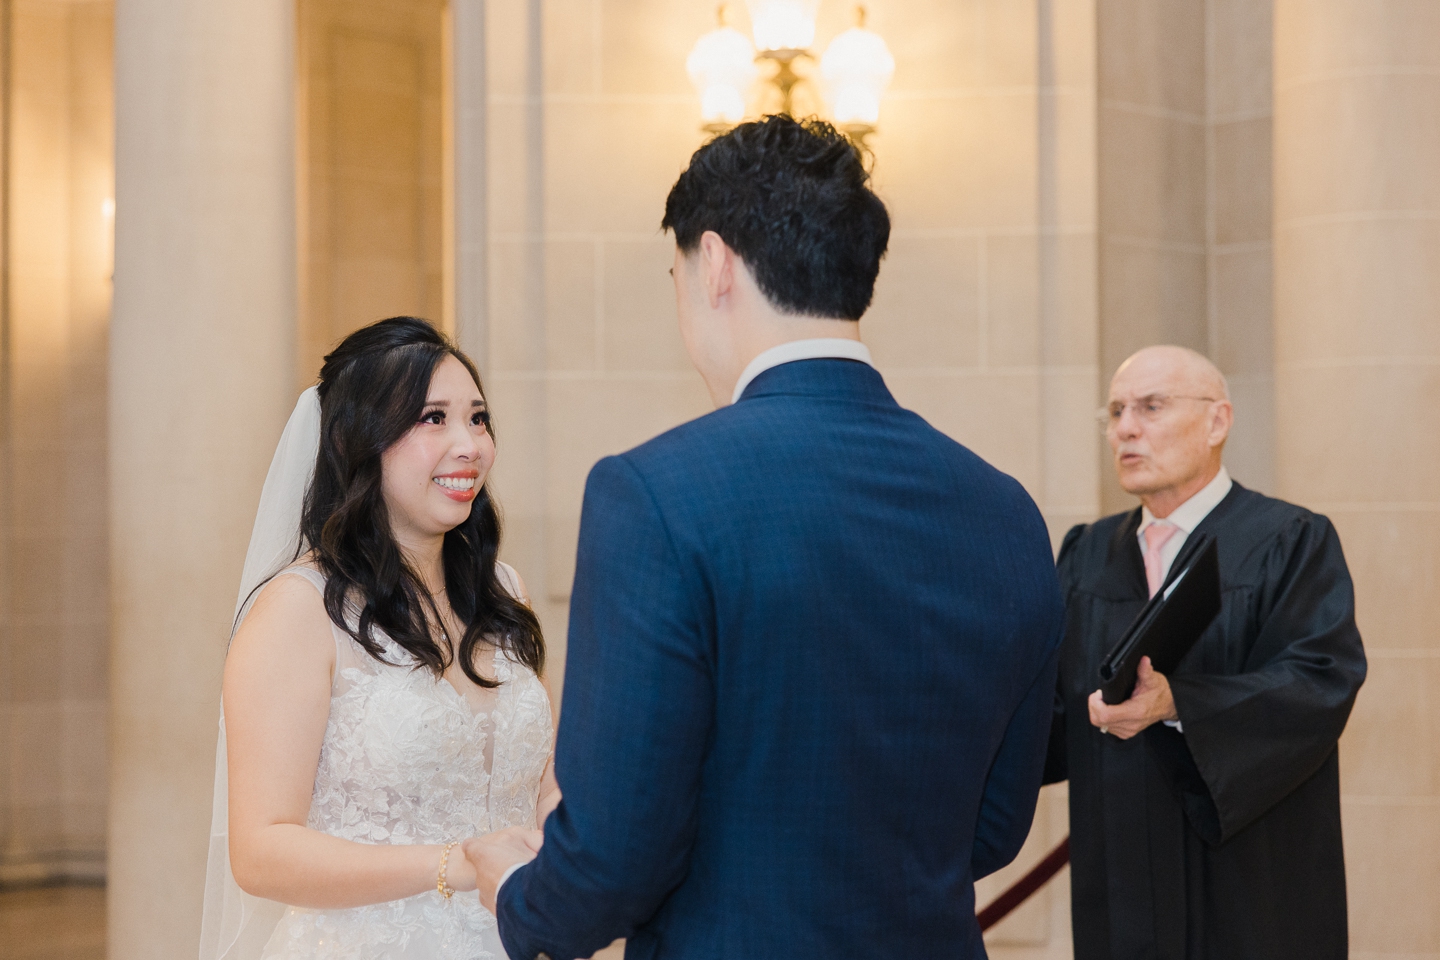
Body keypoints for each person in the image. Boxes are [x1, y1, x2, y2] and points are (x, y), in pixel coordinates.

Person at [464, 115, 1066, 960]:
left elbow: (615, 854)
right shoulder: (1007, 511)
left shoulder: (655, 493)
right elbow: (995, 827)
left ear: (713, 264)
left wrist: (519, 900)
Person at [199, 317, 558, 960]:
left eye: (477, 418)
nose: (469, 444)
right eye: (432, 419)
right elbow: (262, 851)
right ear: (356, 441)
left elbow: (544, 780)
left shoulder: (504, 590)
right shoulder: (298, 610)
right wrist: (454, 864)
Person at [1045, 345, 1367, 960]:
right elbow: (1053, 713)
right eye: (1114, 412)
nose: (1126, 429)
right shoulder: (1087, 555)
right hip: (1119, 888)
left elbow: (1321, 680)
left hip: (1249, 885)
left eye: (1151, 407)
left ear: (1217, 421)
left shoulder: (1288, 540)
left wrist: (1178, 704)